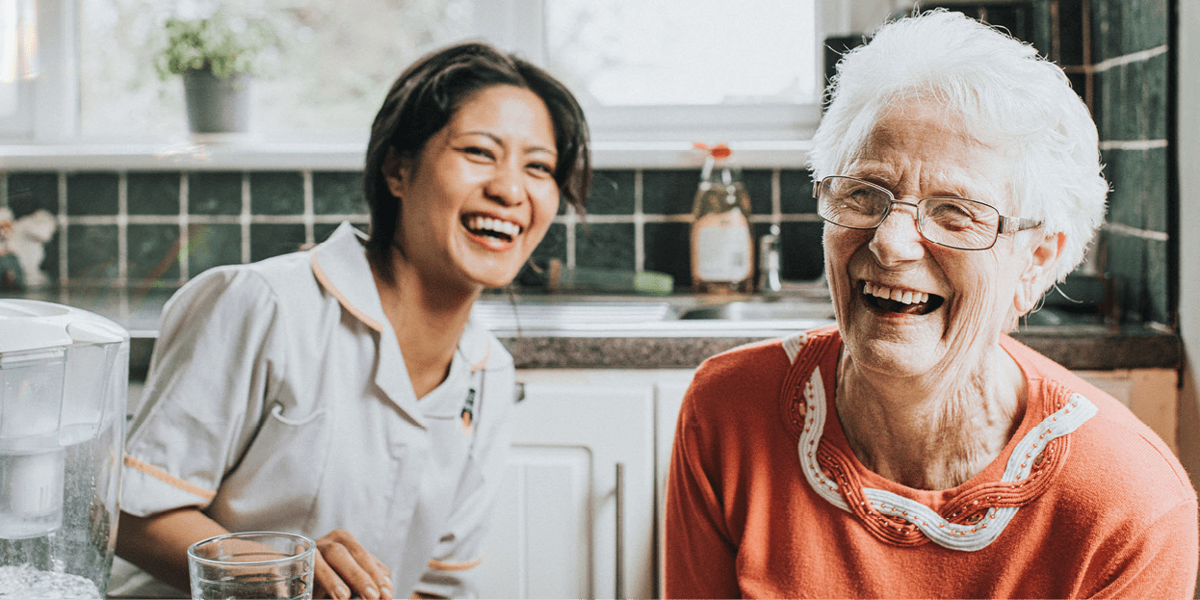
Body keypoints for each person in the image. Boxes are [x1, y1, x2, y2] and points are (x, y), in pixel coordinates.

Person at [665, 10, 1197, 599]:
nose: (889, 244)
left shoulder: (1128, 503)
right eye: (864, 194)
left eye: (956, 212)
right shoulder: (727, 412)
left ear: (1039, 259)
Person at [112, 41, 590, 600]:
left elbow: (435, 585)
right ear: (397, 168)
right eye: (480, 152)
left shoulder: (490, 375)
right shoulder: (264, 304)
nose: (511, 190)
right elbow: (131, 515)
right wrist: (279, 575)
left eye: (539, 167)